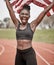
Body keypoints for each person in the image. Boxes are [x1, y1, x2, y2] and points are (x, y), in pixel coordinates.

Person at [5, 0, 54, 65]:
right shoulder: (17, 24)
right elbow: (10, 10)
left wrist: (53, 3)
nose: (24, 16)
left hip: (29, 54)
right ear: (19, 15)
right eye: (22, 14)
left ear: (29, 16)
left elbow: (44, 12)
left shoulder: (32, 25)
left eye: (26, 14)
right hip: (19, 54)